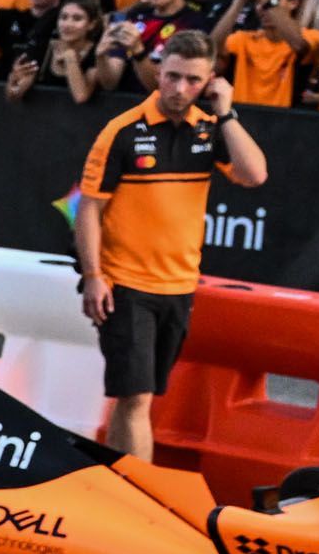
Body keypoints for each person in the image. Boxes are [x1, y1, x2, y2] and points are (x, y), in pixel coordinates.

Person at [74, 32, 269, 464]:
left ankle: (114, 484)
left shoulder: (211, 127)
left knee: (140, 398)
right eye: (173, 77)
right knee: (136, 398)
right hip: (125, 282)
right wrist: (93, 277)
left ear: (210, 82)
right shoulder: (122, 131)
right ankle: (139, 495)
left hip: (179, 285)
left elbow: (255, 175)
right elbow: (88, 209)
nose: (180, 89)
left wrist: (228, 112)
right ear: (158, 73)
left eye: (193, 81)